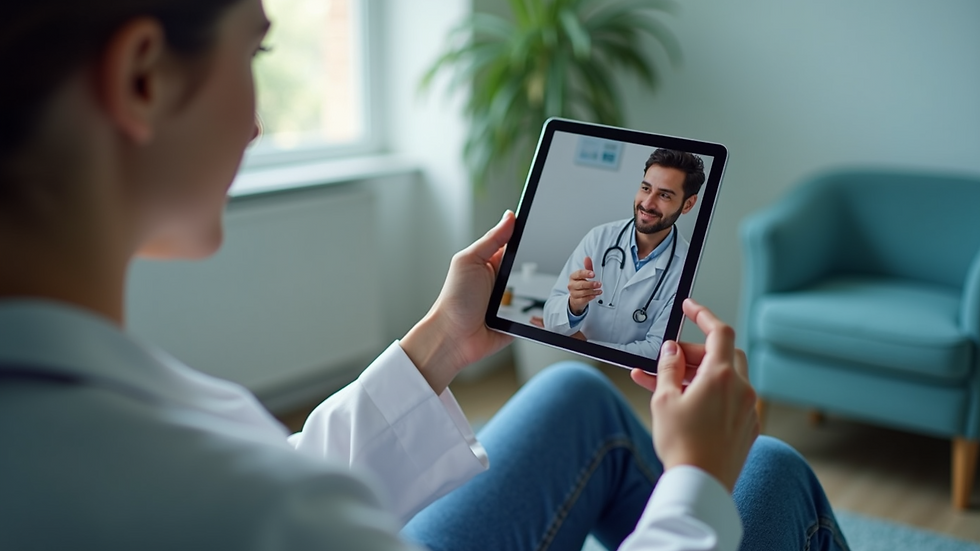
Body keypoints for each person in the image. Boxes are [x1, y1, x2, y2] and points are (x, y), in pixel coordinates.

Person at [0, 1, 850, 550]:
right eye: (254, 52)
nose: (259, 120)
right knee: (767, 473)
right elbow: (275, 501)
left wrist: (442, 340)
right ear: (143, 76)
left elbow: (288, 472)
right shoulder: (236, 504)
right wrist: (698, 483)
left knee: (574, 399)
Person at [543, 149, 704, 357]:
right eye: (646, 188)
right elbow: (550, 317)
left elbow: (658, 350)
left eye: (664, 195)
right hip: (575, 363)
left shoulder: (686, 266)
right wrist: (573, 305)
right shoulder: (599, 238)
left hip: (633, 380)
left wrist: (588, 346)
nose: (647, 203)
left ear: (688, 204)